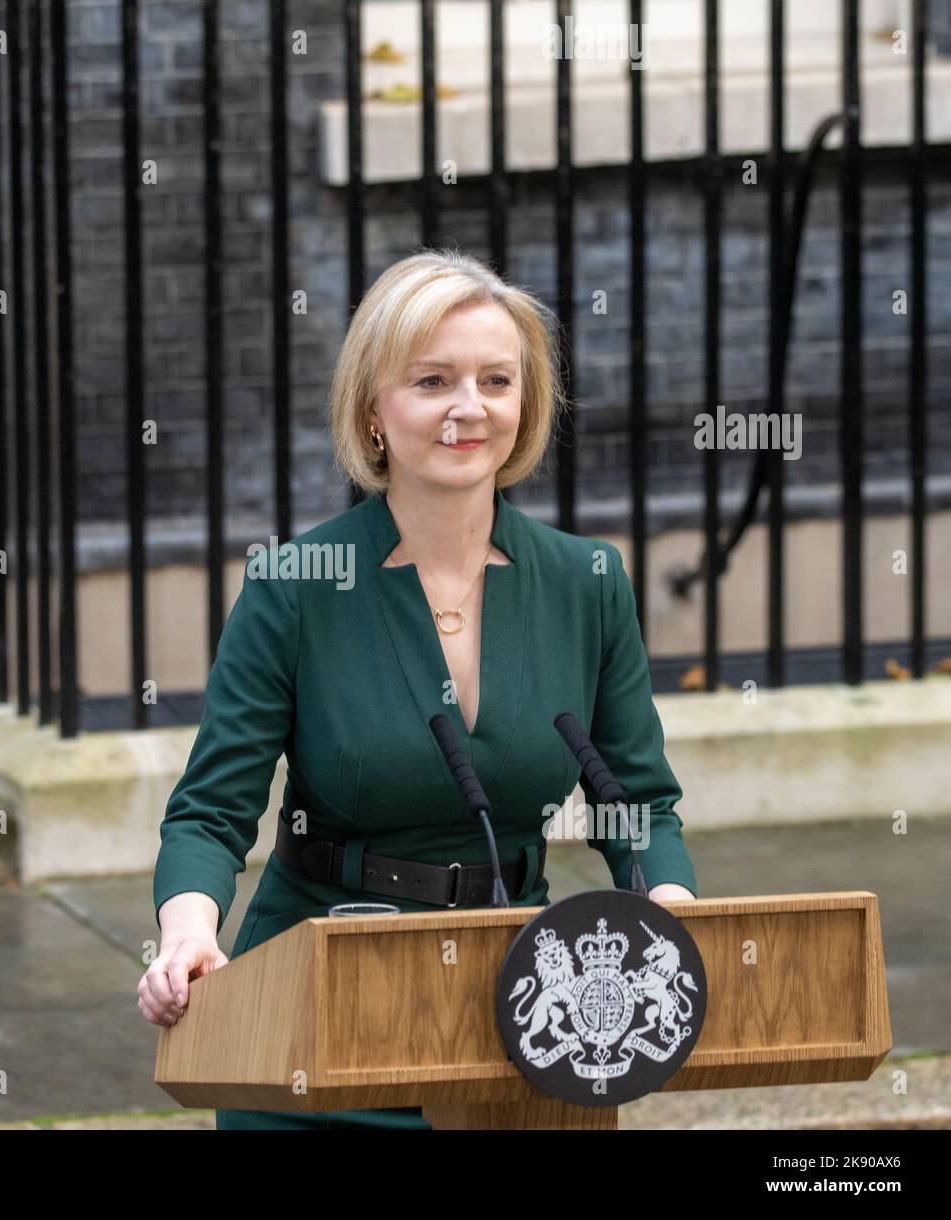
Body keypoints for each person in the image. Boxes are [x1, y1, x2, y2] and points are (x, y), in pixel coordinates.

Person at [136, 248, 698, 1129]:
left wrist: (665, 903)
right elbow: (210, 812)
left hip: (520, 1004)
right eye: (433, 380)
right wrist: (188, 933)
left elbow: (640, 803)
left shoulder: (588, 580)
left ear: (527, 402)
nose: (469, 408)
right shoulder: (294, 587)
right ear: (373, 410)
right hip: (320, 1007)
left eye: (496, 380)